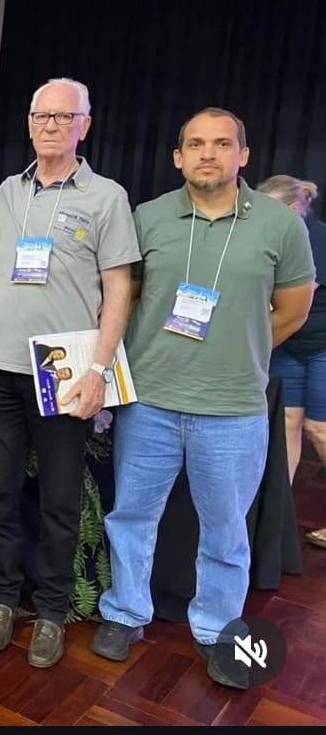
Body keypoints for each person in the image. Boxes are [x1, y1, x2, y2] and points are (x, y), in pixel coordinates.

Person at [92, 108, 314, 688]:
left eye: (221, 144)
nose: (207, 154)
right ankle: (124, 612)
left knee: (225, 529)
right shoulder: (149, 217)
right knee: (133, 515)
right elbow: (127, 298)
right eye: (195, 144)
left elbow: (293, 307)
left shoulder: (279, 225)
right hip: (150, 401)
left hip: (234, 407)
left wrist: (241, 347)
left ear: (243, 155)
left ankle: (218, 629)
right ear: (177, 157)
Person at [0, 78, 140, 667]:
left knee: (60, 499)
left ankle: (50, 610)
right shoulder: (5, 192)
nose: (51, 126)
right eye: (41, 115)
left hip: (63, 371)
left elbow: (120, 289)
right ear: (28, 122)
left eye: (64, 117)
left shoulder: (107, 197)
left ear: (84, 125)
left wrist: (99, 369)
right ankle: (2, 598)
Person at [258, 175, 326, 547]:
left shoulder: (315, 236)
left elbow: (293, 297)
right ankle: (276, 518)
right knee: (287, 423)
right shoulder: (278, 235)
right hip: (288, 345)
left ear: (293, 208)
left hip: (320, 345)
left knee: (319, 428)